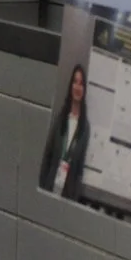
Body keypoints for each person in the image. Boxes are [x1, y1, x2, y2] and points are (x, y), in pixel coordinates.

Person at [40, 63, 91, 197]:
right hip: (49, 189)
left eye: (81, 83)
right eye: (75, 82)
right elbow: (47, 155)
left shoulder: (85, 127)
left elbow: (79, 169)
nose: (77, 87)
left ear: (84, 89)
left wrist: (74, 196)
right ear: (70, 86)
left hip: (67, 196)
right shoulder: (60, 118)